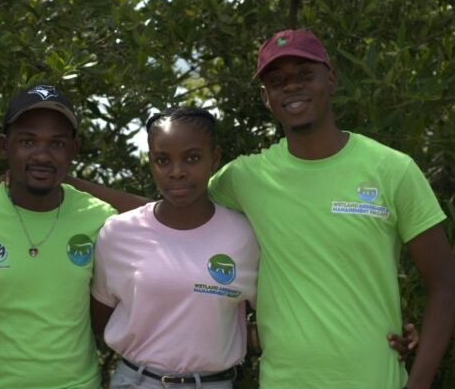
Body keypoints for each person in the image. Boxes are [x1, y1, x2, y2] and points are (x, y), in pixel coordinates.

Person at [207, 29, 455, 389]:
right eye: (278, 81)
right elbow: (172, 216)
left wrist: (418, 384)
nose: (291, 87)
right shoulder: (246, 178)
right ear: (266, 97)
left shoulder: (392, 169)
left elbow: (445, 285)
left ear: (332, 79)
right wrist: (92, 192)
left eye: (305, 74)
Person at [0, 85, 117, 388]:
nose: (42, 155)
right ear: (4, 145)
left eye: (57, 144)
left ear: (73, 150)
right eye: (27, 141)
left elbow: (167, 215)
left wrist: (69, 179)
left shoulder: (100, 220)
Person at [90, 107, 259, 389]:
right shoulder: (118, 233)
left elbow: (269, 318)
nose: (177, 172)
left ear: (214, 158)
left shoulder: (246, 235)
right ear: (151, 162)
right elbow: (99, 320)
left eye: (192, 158)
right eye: (162, 160)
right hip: (136, 381)